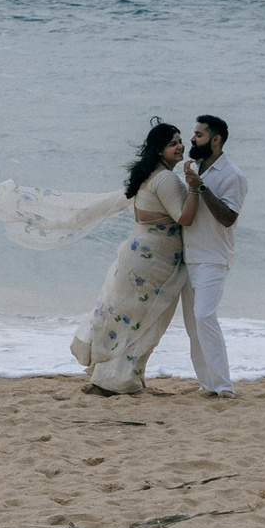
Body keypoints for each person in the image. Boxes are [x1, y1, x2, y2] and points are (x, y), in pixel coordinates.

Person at [68, 122, 202, 396]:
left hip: (139, 255)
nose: (180, 146)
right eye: (172, 143)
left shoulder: (149, 175)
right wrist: (196, 188)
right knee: (147, 320)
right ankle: (118, 381)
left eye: (179, 141)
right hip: (153, 262)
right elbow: (185, 218)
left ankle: (113, 378)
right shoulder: (165, 179)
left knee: (127, 319)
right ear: (158, 150)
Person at [176, 113, 247, 398]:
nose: (192, 139)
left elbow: (228, 218)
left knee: (205, 316)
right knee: (193, 325)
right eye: (193, 134)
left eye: (199, 135)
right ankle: (208, 383)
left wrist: (199, 186)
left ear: (216, 140)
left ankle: (224, 386)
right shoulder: (196, 167)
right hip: (189, 256)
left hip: (213, 257)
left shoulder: (233, 175)